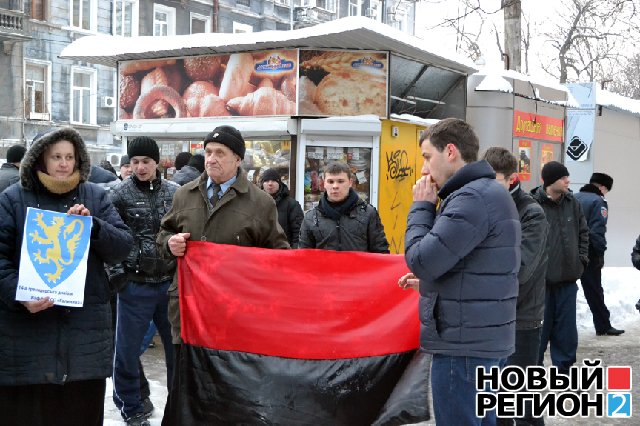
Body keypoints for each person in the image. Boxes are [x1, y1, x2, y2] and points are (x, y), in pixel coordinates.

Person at [156, 125, 289, 424]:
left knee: (228, 398)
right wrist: (170, 243)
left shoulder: (260, 203)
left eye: (220, 153)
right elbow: (163, 234)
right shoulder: (184, 195)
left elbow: (278, 255)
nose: (211, 159)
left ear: (238, 159)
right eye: (208, 152)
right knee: (184, 395)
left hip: (234, 319)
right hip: (188, 315)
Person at [0, 127, 133, 425]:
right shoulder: (12, 200)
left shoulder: (96, 198)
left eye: (69, 157)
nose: (63, 163)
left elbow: (123, 247)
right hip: (26, 339)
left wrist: (94, 227)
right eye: (56, 156)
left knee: (78, 413)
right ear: (39, 160)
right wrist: (19, 296)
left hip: (83, 341)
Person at [404, 118, 520, 426]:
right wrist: (430, 284)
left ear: (451, 151)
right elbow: (477, 266)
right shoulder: (487, 194)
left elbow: (420, 259)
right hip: (480, 341)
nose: (425, 169)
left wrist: (421, 208)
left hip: (463, 347)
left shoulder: (470, 198)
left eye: (428, 157)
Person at [110, 136, 179, 426]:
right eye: (135, 161)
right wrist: (118, 278)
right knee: (126, 352)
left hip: (169, 285)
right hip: (134, 285)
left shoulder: (175, 193)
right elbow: (110, 238)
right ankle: (132, 407)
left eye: (146, 161)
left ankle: (177, 404)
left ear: (157, 162)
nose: (140, 167)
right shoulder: (117, 194)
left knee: (177, 351)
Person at [483, 147, 548, 426]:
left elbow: (519, 270)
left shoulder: (531, 213)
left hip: (521, 317)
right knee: (494, 402)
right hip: (487, 316)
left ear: (512, 179)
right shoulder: (481, 205)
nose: (486, 187)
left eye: (494, 180)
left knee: (521, 402)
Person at [531, 161, 589, 375]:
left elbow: (584, 233)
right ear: (551, 181)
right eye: (564, 177)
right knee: (538, 332)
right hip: (540, 285)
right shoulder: (532, 204)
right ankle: (532, 373)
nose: (568, 181)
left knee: (566, 333)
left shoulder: (572, 203)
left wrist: (581, 261)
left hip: (567, 281)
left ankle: (564, 372)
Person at [298, 162, 389, 253]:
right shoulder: (311, 217)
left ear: (350, 182)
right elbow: (304, 257)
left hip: (359, 267)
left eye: (340, 181)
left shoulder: (368, 214)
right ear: (324, 183)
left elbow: (381, 253)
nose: (335, 186)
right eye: (330, 181)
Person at [574, 172, 624, 336]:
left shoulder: (573, 197)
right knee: (594, 290)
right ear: (602, 187)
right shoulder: (598, 201)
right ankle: (603, 325)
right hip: (589, 252)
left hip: (567, 251)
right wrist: (600, 254)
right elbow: (597, 231)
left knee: (563, 291)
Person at [259, 168, 304, 248]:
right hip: (261, 254)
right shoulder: (256, 203)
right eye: (266, 180)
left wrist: (294, 254)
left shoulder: (292, 205)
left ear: (279, 183)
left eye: (273, 180)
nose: (270, 183)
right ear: (262, 184)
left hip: (284, 253)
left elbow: (299, 234)